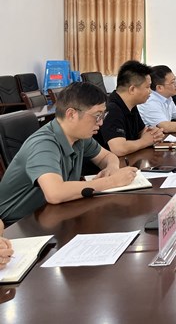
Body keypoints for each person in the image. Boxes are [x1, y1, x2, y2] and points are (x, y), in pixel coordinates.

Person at [0, 82, 137, 224]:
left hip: (52, 214)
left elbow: (107, 156)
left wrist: (112, 168)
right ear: (71, 114)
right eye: (97, 116)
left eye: (103, 115)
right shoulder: (43, 144)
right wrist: (112, 181)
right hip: (17, 225)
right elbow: (55, 193)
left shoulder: (79, 137)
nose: (101, 122)